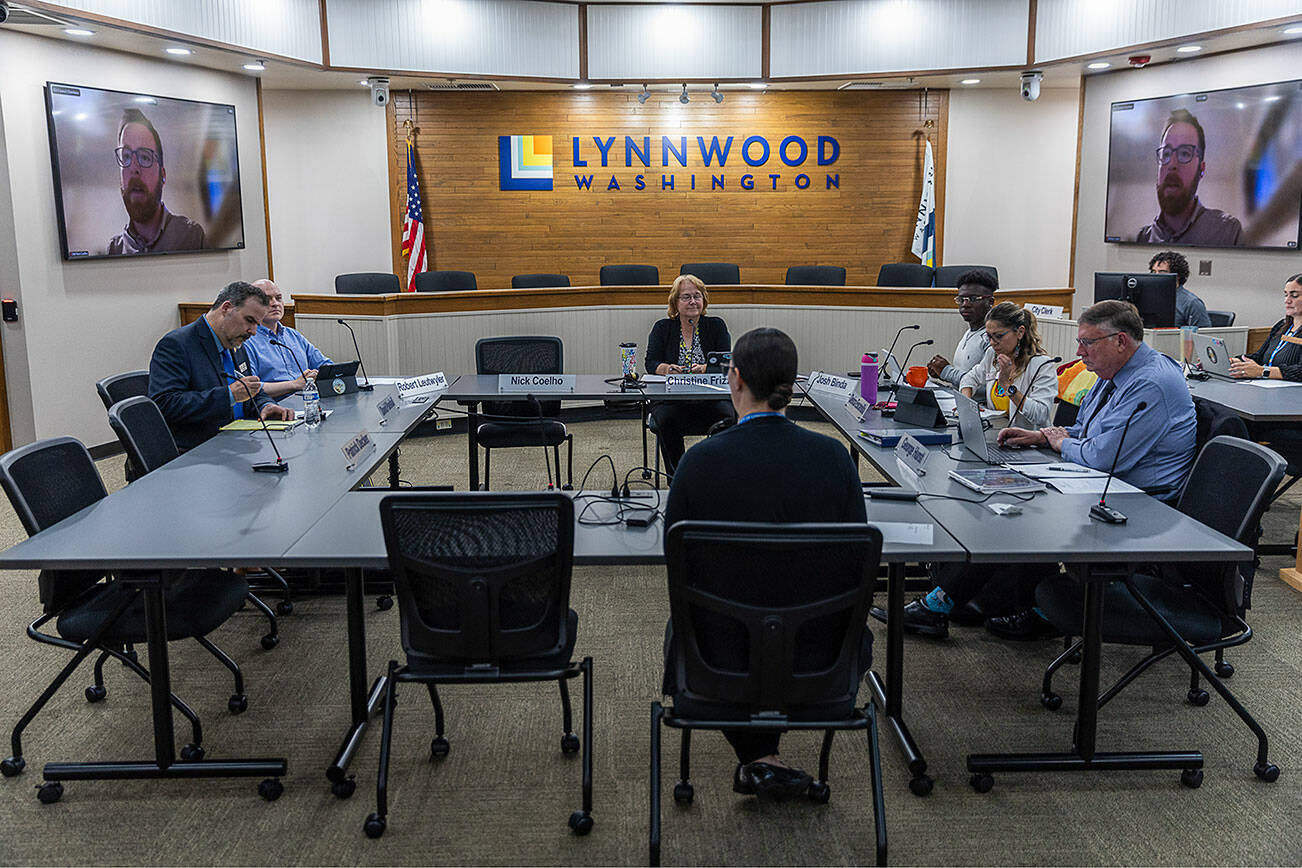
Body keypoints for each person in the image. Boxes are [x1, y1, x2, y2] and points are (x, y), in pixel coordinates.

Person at [663, 327, 869, 799]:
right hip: (820, 656)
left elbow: (675, 562)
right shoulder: (834, 458)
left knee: (696, 620)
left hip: (718, 655)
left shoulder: (698, 463)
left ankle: (757, 756)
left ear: (734, 378)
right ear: (791, 384)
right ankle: (763, 757)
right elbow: (855, 561)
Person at [984, 299, 1198, 639]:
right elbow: (1087, 428)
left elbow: (1103, 457)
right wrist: (1043, 436)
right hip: (1104, 481)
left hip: (1139, 499)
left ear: (1120, 341)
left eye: (1087, 342)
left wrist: (1059, 443)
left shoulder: (1151, 384)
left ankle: (1032, 610)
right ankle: (1008, 602)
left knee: (1029, 510)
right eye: (1079, 341)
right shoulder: (1111, 372)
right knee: (1013, 494)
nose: (1079, 352)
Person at [149, 281, 294, 452]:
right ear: (226, 308)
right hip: (202, 447)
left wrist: (265, 405)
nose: (253, 331)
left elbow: (249, 390)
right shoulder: (177, 345)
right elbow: (165, 404)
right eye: (249, 320)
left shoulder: (236, 343)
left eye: (257, 324)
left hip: (242, 440)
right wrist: (228, 395)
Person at [644, 274, 734, 475]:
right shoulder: (662, 328)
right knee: (665, 420)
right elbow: (651, 363)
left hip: (710, 399)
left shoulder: (716, 326)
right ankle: (678, 477)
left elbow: (725, 363)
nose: (693, 301)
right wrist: (667, 369)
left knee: (729, 416)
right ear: (675, 302)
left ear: (704, 300)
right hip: (672, 400)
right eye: (686, 297)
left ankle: (716, 474)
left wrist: (706, 368)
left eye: (697, 296)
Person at [1136, 109, 1243, 247]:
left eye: (1185, 153)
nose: (1172, 164)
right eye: (1166, 154)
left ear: (1201, 169)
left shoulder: (1227, 232)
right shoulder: (1142, 239)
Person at [107, 108, 206, 255]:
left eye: (145, 157)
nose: (134, 168)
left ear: (162, 175)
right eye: (126, 156)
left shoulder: (191, 237)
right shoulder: (114, 250)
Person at [959, 302, 1058, 429]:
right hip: (996, 432)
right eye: (989, 336)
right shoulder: (992, 354)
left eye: (998, 336)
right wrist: (967, 407)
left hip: (1029, 438)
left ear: (1020, 332)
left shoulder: (1041, 365)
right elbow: (969, 378)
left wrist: (1007, 386)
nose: (992, 343)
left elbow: (1040, 415)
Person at [242, 279, 333, 399]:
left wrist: (317, 374)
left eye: (278, 298)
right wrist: (294, 384)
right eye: (267, 299)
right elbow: (250, 388)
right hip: (275, 405)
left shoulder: (292, 335)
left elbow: (326, 365)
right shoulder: (247, 341)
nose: (275, 303)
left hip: (308, 400)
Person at [926, 270, 996, 388]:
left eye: (973, 299)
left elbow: (988, 387)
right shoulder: (969, 332)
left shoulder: (994, 338)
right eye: (961, 299)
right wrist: (941, 373)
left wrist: (946, 372)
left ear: (990, 301)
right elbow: (966, 379)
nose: (965, 304)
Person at [1228, 273, 1302, 382]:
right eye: (1286, 295)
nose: (1287, 300)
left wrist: (1263, 371)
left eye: (1294, 295)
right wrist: (1236, 362)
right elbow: (1259, 357)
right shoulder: (1281, 326)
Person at [1148, 250, 1212, 328]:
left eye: (1162, 272)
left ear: (1177, 276)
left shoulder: (1192, 303)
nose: (1156, 276)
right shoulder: (1148, 297)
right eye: (1153, 272)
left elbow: (1204, 333)